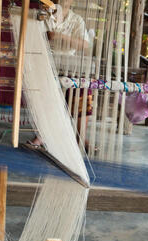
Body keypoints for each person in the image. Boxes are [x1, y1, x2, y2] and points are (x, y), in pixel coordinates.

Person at [29, 0, 93, 151]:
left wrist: (61, 37)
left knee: (83, 90)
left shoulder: (77, 20)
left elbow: (84, 44)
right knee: (48, 91)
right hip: (46, 61)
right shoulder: (45, 15)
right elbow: (34, 36)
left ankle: (81, 137)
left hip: (69, 65)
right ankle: (42, 135)